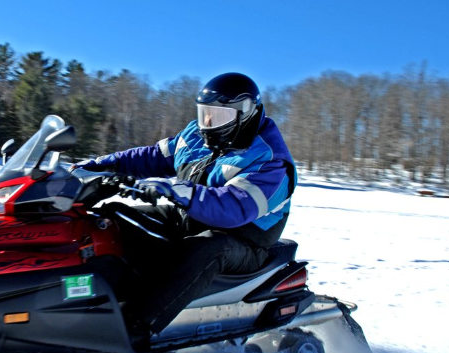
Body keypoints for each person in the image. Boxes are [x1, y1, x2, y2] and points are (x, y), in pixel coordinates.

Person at [72, 72, 297, 338]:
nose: (209, 123)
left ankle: (136, 328)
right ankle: (103, 293)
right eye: (205, 114)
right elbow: (151, 156)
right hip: (189, 215)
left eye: (219, 116)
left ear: (244, 114)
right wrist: (98, 166)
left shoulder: (269, 160)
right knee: (114, 218)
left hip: (244, 239)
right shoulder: (195, 135)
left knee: (205, 249)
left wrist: (181, 191)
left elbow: (233, 208)